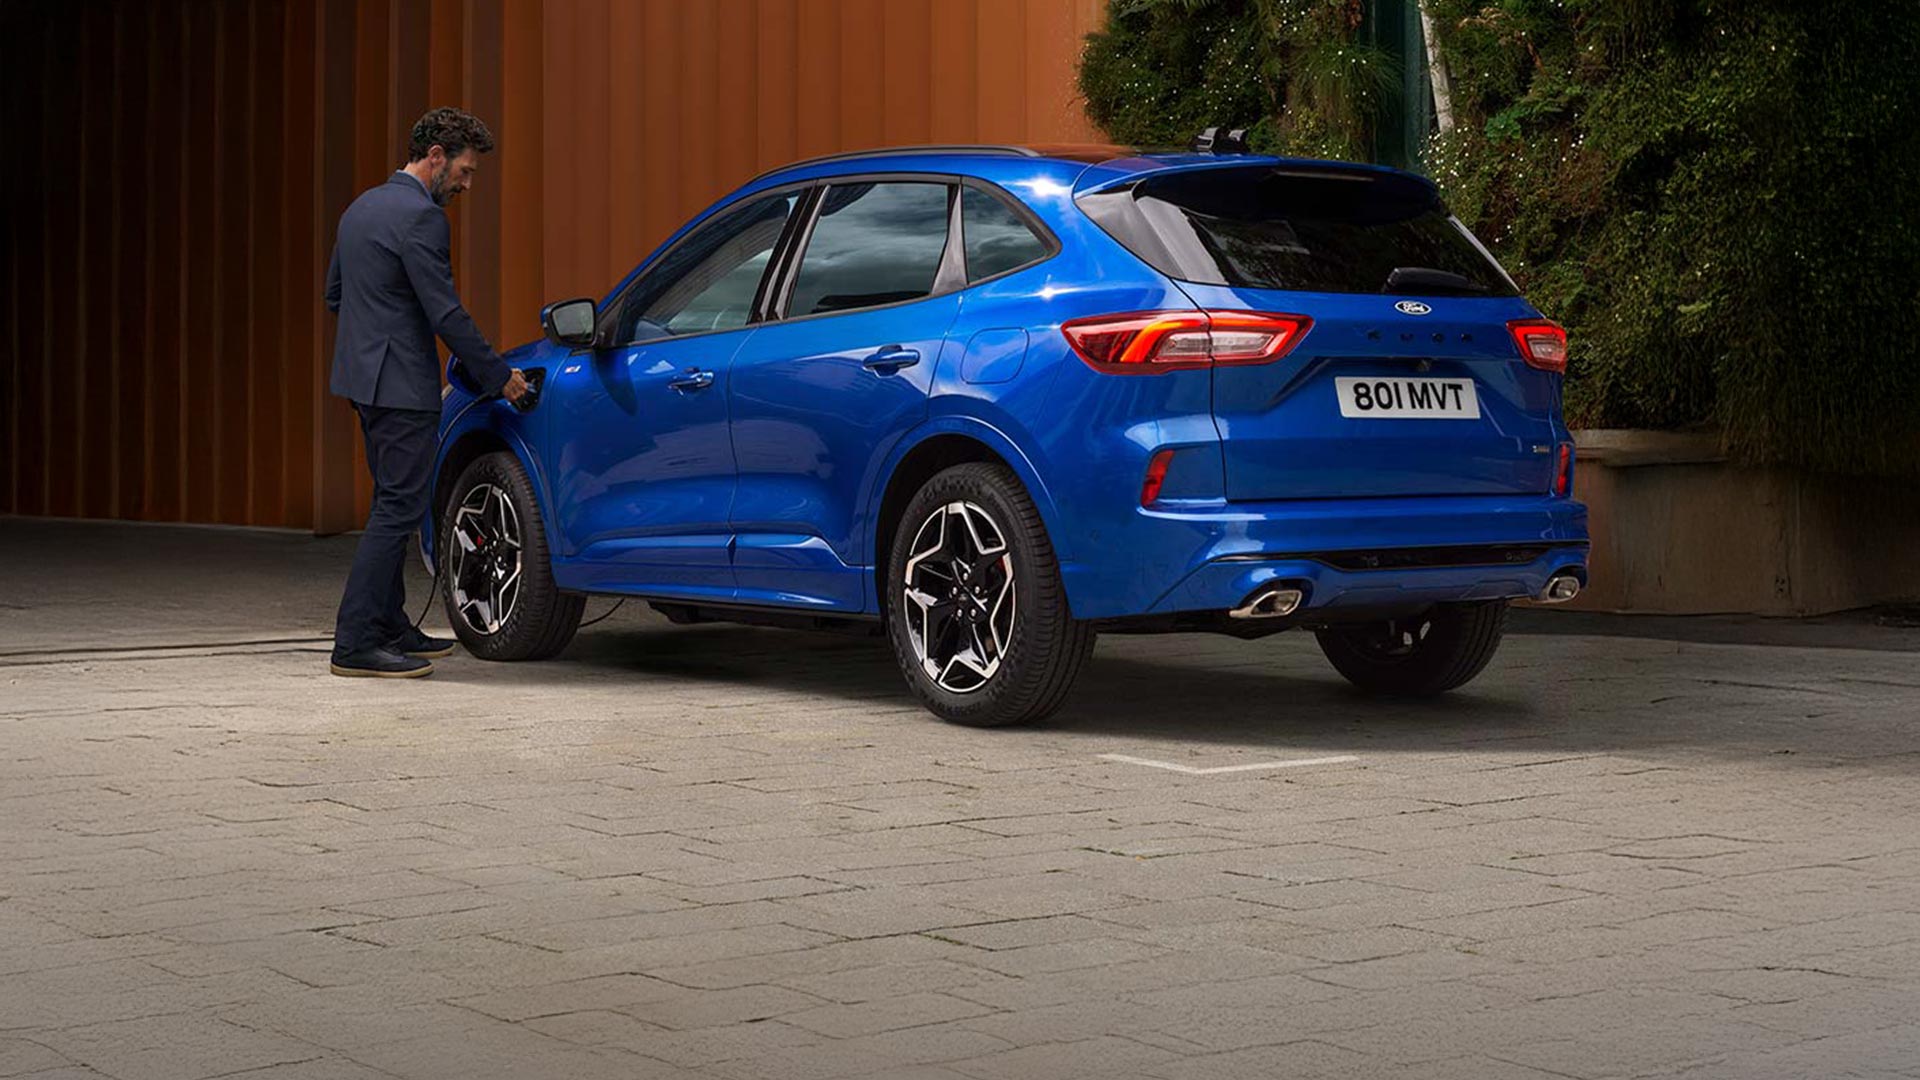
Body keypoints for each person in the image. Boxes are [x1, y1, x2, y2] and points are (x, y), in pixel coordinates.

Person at [324, 106, 528, 678]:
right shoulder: (422, 218)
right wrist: (498, 376)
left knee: (391, 498)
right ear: (435, 157)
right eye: (464, 171)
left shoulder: (360, 207)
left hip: (361, 381)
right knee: (399, 507)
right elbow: (446, 313)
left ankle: (390, 624)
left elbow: (335, 294)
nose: (467, 183)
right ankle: (356, 641)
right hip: (402, 384)